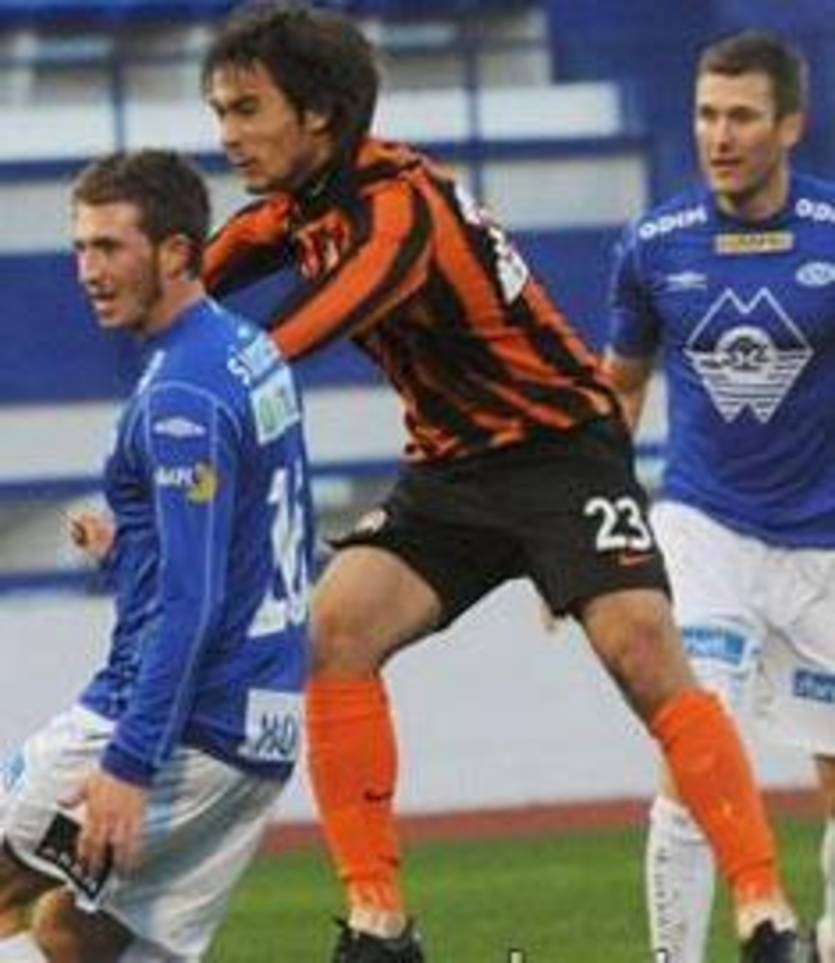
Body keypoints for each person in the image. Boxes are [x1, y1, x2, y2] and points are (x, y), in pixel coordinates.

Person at [201, 7, 806, 962]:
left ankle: (764, 910)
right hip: (451, 467)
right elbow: (194, 281)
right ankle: (378, 922)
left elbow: (302, 330)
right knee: (335, 631)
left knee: (643, 653)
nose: (228, 134)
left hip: (559, 449)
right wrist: (148, 281)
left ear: (317, 114)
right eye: (221, 112)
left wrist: (202, 387)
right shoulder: (301, 207)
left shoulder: (399, 207)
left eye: (246, 110)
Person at [0, 149, 313, 962]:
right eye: (80, 247)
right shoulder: (246, 349)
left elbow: (190, 598)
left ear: (176, 252)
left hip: (176, 725)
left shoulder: (182, 395)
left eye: (110, 247)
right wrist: (130, 550)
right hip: (259, 732)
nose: (88, 270)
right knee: (80, 937)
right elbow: (248, 534)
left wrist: (130, 761)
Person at [606, 28, 835, 963]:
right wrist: (585, 532)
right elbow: (618, 391)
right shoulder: (654, 244)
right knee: (693, 751)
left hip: (823, 541)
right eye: (706, 114)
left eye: (741, 116)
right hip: (705, 529)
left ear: (789, 125)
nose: (719, 135)